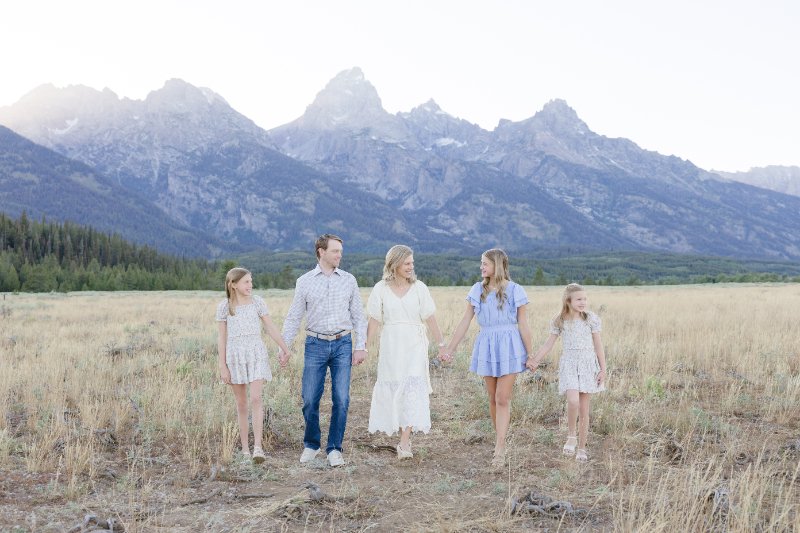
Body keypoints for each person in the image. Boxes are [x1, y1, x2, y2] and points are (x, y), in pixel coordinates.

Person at [281, 234, 368, 467]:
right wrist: (284, 346)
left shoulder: (349, 280)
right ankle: (311, 444)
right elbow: (294, 317)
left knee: (341, 398)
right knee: (310, 398)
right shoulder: (305, 281)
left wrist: (361, 346)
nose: (340, 255)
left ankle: (334, 448)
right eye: (335, 251)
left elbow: (359, 317)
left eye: (340, 251)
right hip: (315, 344)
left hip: (343, 343)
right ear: (321, 252)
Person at [441, 248, 532, 467]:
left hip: (510, 344)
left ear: (497, 265)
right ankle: (499, 437)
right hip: (487, 343)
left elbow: (523, 323)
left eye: (485, 263)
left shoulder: (514, 289)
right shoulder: (477, 289)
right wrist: (450, 348)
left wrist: (531, 354)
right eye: (481, 263)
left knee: (502, 397)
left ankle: (500, 448)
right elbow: (465, 321)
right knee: (492, 398)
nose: (481, 267)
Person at [365, 245, 447, 459]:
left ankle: (404, 442)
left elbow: (430, 318)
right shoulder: (380, 288)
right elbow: (374, 320)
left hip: (414, 345)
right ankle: (396, 428)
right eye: (407, 263)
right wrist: (363, 347)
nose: (411, 267)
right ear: (394, 264)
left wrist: (441, 344)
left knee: (411, 387)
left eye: (413, 263)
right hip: (391, 345)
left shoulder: (420, 287)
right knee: (394, 386)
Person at [216, 267, 291, 464]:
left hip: (256, 353)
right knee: (241, 404)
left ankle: (258, 447)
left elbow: (270, 327)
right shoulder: (225, 306)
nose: (250, 285)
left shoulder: (257, 302)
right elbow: (221, 338)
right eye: (246, 282)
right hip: (235, 357)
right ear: (233, 284)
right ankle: (245, 450)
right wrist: (223, 366)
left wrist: (285, 348)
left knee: (256, 398)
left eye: (251, 281)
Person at [526, 283, 607, 462]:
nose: (583, 302)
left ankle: (582, 447)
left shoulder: (590, 318)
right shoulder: (560, 320)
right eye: (579, 299)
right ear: (568, 301)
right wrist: (535, 360)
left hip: (588, 365)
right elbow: (549, 344)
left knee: (585, 409)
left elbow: (598, 345)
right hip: (569, 364)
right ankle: (571, 435)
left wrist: (603, 369)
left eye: (585, 299)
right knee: (573, 400)